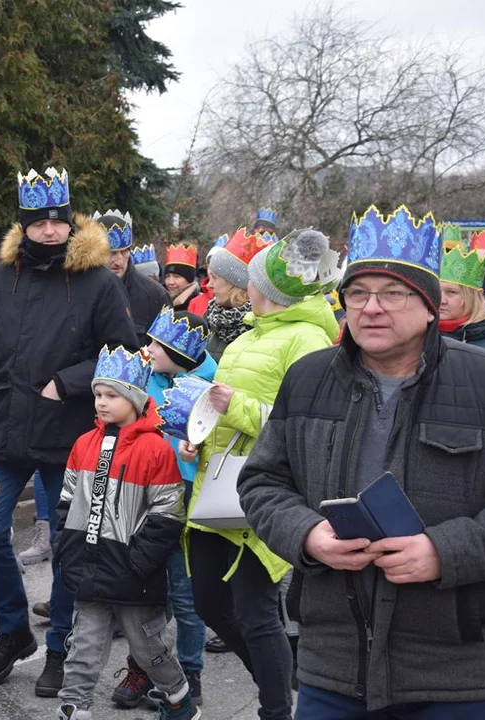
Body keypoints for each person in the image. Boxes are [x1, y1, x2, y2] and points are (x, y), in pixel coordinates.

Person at [239, 205, 485, 718]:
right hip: (331, 665)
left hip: (452, 669)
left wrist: (444, 551)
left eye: (392, 294)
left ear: (430, 305)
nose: (371, 308)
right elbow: (263, 483)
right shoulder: (309, 378)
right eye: (358, 294)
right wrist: (308, 536)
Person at [0, 167, 138, 697]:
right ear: (24, 226)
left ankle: (60, 648)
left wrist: (71, 382)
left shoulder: (98, 281)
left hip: (70, 435)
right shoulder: (1, 281)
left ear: (69, 223)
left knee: (70, 547)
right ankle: (12, 632)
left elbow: (123, 355)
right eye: (39, 223)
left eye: (58, 222)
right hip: (4, 431)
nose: (50, 231)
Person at [180, 229, 341, 720]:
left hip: (272, 488)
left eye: (250, 280)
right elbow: (224, 410)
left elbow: (310, 425)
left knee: (255, 611)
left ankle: (275, 710)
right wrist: (200, 433)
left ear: (264, 289)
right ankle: (275, 678)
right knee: (207, 600)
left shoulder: (311, 338)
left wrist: (239, 405)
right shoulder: (247, 335)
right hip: (219, 484)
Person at [54, 346, 199, 720]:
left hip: (135, 571)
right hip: (88, 564)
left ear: (134, 399)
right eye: (97, 395)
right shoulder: (84, 444)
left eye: (111, 395)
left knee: (147, 644)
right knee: (84, 644)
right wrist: (66, 550)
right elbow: (68, 501)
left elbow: (168, 513)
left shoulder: (155, 448)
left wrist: (139, 561)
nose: (101, 403)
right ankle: (74, 707)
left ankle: (180, 699)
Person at [111, 310, 216, 710]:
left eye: (156, 344)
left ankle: (189, 673)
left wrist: (198, 448)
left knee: (185, 597)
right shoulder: (143, 380)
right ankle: (144, 667)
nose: (147, 349)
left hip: (188, 497)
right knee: (144, 591)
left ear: (178, 351)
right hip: (143, 495)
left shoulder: (212, 386)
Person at [202, 228, 274, 361]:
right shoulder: (211, 317)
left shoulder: (260, 326)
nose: (208, 285)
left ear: (236, 285)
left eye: (215, 278)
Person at [96, 209, 168, 344]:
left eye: (124, 252)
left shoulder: (154, 295)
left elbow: (165, 353)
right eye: (111, 253)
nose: (119, 261)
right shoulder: (77, 290)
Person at [439, 242, 485, 356]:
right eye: (437, 290)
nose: (441, 300)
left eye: (451, 292)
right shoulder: (418, 334)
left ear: (476, 296)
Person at [164, 244, 201, 311]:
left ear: (189, 279)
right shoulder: (162, 301)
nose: (170, 282)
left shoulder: (199, 304)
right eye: (167, 276)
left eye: (176, 277)